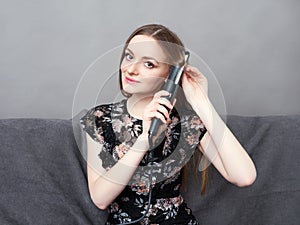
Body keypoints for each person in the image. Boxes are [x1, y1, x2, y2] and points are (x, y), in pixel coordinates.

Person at [80, 24, 257, 225]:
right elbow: (100, 199)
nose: (131, 69)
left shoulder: (186, 123)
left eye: (149, 64)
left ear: (169, 75)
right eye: (129, 56)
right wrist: (143, 142)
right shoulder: (100, 119)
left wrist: (201, 102)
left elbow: (245, 176)